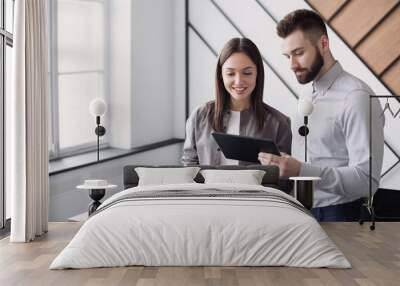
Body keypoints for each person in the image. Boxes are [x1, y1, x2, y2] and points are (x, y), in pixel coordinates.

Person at [258, 9, 384, 221]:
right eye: (288, 56)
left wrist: (302, 170)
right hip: (301, 209)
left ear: (323, 44)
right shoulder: (307, 90)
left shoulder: (356, 97)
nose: (292, 65)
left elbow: (367, 179)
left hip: (341, 215)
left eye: (298, 53)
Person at [182, 37, 292, 166]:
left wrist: (276, 170)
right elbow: (188, 168)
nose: (239, 81)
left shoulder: (279, 123)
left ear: (258, 73)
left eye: (247, 73)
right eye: (230, 73)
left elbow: (284, 181)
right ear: (221, 75)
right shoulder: (199, 116)